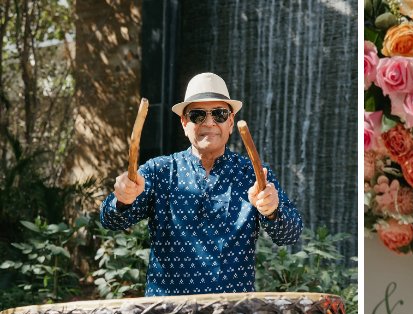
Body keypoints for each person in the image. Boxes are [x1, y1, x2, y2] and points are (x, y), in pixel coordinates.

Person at [99, 72, 302, 296]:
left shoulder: (253, 175)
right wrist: (122, 200)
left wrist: (272, 211)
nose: (209, 122)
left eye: (219, 114)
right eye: (197, 115)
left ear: (231, 122)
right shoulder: (159, 171)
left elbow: (289, 235)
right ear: (184, 123)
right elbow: (110, 220)